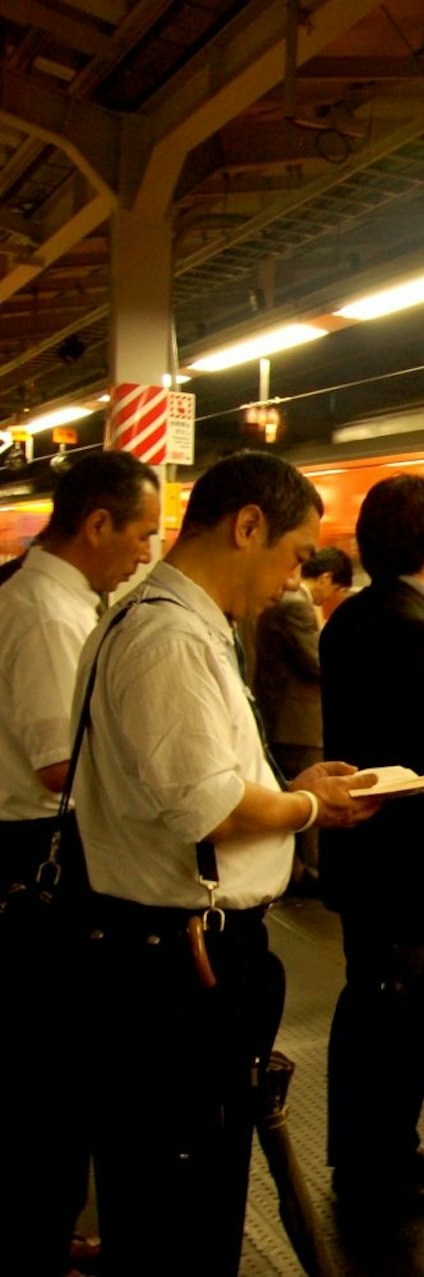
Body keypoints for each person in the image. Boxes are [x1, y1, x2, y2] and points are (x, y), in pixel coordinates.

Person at [70, 451, 380, 1275]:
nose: (294, 580)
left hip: (179, 954)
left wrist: (293, 785)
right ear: (247, 526)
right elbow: (207, 805)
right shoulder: (169, 636)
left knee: (191, 1186)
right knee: (180, 1197)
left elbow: (210, 781)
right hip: (176, 963)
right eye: (293, 554)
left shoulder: (180, 626)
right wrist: (314, 807)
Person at [0, 450, 159, 1277]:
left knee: (53, 1068)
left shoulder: (50, 602)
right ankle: (39, 1240)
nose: (143, 554)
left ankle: (45, 1228)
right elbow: (58, 763)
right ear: (96, 525)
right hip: (34, 857)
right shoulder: (44, 614)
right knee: (50, 1070)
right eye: (138, 535)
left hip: (37, 853)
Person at [321, 473, 424, 1210]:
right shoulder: (418, 630)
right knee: (398, 1012)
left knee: (372, 1000)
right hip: (407, 868)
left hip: (363, 855)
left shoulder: (351, 618)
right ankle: (383, 1165)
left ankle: (371, 1147)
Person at [251, 556, 334, 893]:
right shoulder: (296, 606)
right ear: (327, 579)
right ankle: (309, 873)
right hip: (297, 722)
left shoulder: (291, 604)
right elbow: (317, 662)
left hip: (284, 718)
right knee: (307, 796)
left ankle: (300, 868)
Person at [304, 545, 354, 623]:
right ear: (325, 579)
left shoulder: (303, 599)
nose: (330, 597)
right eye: (335, 589)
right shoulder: (300, 605)